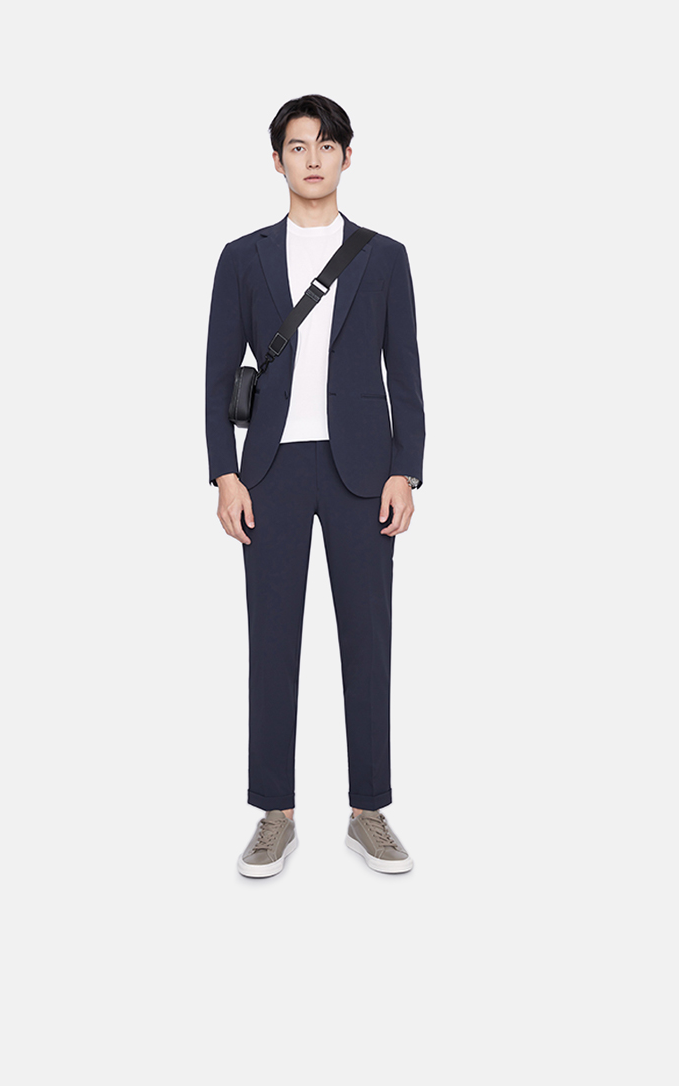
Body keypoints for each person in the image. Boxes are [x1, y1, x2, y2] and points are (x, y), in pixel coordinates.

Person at [205, 93, 425, 877]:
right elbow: (216, 372)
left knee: (368, 642)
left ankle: (369, 811)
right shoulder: (243, 257)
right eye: (297, 146)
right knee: (272, 642)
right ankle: (275, 813)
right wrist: (224, 472)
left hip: (361, 471)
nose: (312, 158)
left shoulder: (383, 255)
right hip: (269, 470)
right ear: (277, 160)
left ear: (346, 157)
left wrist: (405, 469)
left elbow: (405, 370)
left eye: (326, 145)